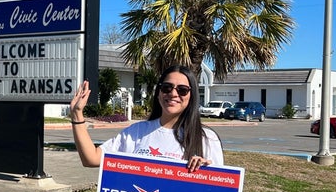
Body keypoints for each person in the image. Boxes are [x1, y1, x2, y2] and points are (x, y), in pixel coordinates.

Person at [70, 65, 223, 172]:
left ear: (192, 96)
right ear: (158, 93)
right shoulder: (136, 131)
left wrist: (206, 172)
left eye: (182, 90)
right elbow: (91, 159)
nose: (173, 94)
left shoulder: (207, 139)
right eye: (167, 87)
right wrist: (77, 113)